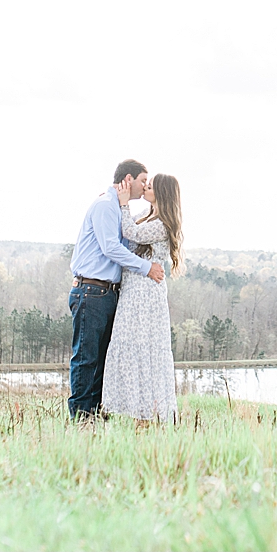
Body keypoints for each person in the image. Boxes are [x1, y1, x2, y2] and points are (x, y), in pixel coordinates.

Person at [68, 159, 164, 418]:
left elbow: (131, 236)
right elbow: (111, 248)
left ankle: (94, 414)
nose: (145, 186)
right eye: (143, 180)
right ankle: (80, 417)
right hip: (91, 291)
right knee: (86, 359)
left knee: (102, 360)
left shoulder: (118, 208)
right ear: (128, 179)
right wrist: (147, 268)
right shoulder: (105, 206)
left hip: (108, 293)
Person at [102, 173, 185, 420]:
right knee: (128, 346)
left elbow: (130, 233)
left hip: (146, 295)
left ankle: (150, 412)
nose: (146, 187)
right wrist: (111, 201)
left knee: (144, 349)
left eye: (151, 185)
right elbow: (123, 227)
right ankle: (134, 410)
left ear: (161, 194)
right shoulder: (147, 216)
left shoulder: (162, 225)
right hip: (133, 291)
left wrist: (124, 203)